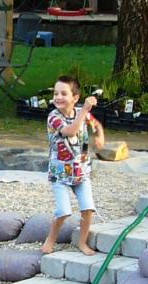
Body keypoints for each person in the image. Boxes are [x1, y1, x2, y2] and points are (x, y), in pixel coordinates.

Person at [41, 75, 105, 256]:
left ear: (75, 98)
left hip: (81, 172)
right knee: (63, 211)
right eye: (56, 93)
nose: (58, 97)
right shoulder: (53, 117)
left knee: (88, 209)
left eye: (63, 93)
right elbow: (70, 131)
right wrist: (84, 110)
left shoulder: (81, 113)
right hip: (60, 174)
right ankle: (50, 239)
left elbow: (96, 124)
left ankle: (82, 242)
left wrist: (100, 136)